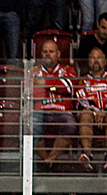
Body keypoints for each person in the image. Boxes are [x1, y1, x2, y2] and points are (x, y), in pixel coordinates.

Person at [30, 39, 78, 169]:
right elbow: (28, 91)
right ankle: (46, 158)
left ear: (58, 54)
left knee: (70, 124)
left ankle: (51, 158)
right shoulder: (34, 71)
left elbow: (69, 87)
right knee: (31, 124)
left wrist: (45, 85)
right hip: (40, 111)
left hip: (61, 111)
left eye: (51, 52)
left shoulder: (67, 70)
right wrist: (56, 86)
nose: (47, 54)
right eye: (45, 52)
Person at [76, 47, 107, 173]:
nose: (96, 61)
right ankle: (86, 154)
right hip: (90, 115)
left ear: (105, 61)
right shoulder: (82, 80)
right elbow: (82, 101)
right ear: (88, 61)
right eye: (93, 58)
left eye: (99, 57)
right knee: (85, 114)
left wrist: (105, 111)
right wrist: (96, 111)